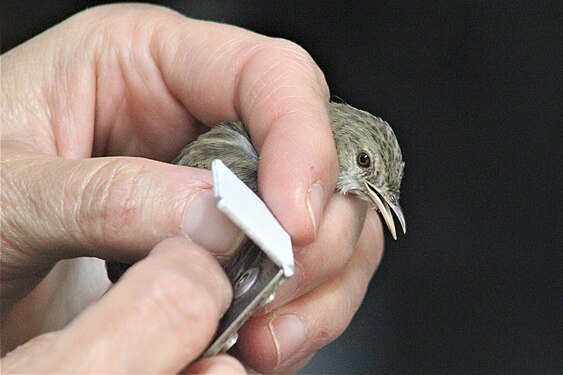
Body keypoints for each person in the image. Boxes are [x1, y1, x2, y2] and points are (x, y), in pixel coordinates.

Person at [1, 4, 384, 373]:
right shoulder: (261, 159)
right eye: (365, 163)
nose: (370, 190)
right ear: (340, 139)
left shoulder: (309, 189)